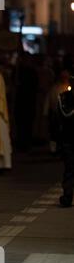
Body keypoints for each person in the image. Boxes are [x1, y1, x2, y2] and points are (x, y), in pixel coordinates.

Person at [56, 75, 74, 207]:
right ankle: (67, 196)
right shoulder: (64, 97)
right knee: (69, 168)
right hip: (69, 137)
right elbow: (64, 114)